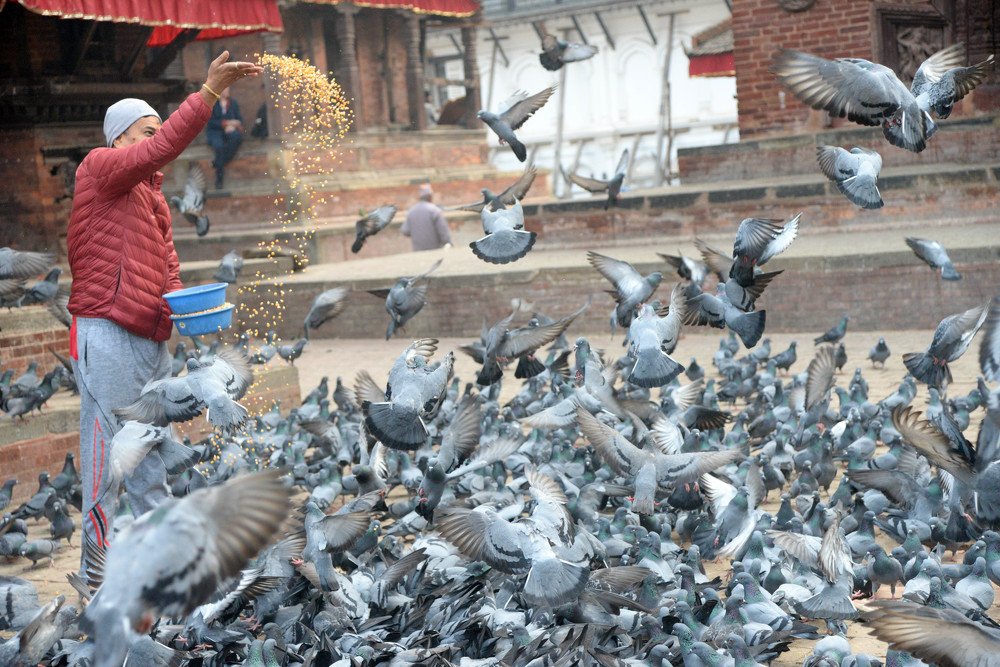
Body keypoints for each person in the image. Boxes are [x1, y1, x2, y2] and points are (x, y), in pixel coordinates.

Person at [66, 51, 261, 562]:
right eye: (145, 131)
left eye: (158, 129)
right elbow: (162, 150)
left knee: (149, 450)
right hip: (105, 331)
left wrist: (185, 315)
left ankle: (163, 570)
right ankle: (97, 570)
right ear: (120, 140)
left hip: (150, 337)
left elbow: (168, 269)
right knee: (110, 453)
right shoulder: (100, 168)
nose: (155, 140)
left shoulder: (153, 199)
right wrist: (208, 95)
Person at [206, 87, 244, 188]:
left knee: (236, 137)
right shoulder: (213, 104)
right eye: (224, 89)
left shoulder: (233, 103)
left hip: (229, 130)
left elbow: (239, 119)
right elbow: (210, 122)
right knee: (219, 147)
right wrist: (226, 124)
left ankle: (218, 162)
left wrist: (234, 124)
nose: (227, 91)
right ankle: (219, 179)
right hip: (215, 131)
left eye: (228, 89)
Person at [401, 184, 452, 251]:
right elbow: (443, 233)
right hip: (435, 250)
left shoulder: (411, 211)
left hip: (418, 251)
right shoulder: (434, 211)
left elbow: (405, 231)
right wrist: (449, 243)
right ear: (430, 197)